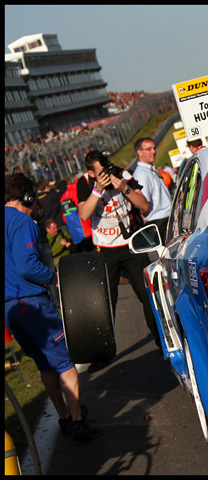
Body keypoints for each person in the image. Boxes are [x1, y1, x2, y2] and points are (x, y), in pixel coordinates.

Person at [5, 173, 100, 440]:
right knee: (64, 363)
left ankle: (64, 417)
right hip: (33, 304)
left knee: (43, 364)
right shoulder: (23, 221)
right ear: (28, 196)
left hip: (9, 308)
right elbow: (27, 266)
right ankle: (78, 421)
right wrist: (52, 277)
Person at [76, 150, 161, 349]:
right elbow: (84, 214)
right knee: (104, 302)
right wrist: (97, 190)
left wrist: (124, 188)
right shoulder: (85, 183)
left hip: (131, 243)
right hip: (105, 248)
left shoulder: (123, 174)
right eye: (101, 172)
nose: (106, 175)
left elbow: (145, 206)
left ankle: (160, 339)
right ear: (91, 173)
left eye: (107, 169)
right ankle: (103, 350)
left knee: (147, 294)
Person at [132, 138, 172, 241]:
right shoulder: (141, 175)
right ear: (139, 152)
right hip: (159, 223)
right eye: (149, 149)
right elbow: (143, 206)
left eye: (154, 148)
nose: (153, 152)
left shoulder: (149, 170)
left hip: (164, 220)